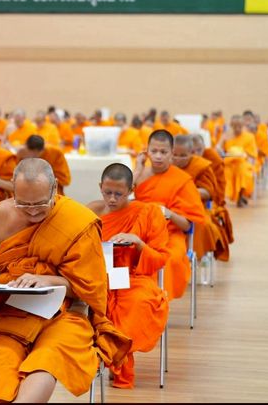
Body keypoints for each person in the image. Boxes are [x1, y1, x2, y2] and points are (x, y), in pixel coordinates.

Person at [0, 158, 130, 402]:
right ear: (12, 192)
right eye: (23, 204)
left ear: (55, 187)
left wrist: (50, 281)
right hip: (9, 312)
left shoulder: (77, 220)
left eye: (40, 203)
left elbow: (92, 288)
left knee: (49, 357)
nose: (33, 211)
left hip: (66, 314)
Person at [87, 163, 169, 389]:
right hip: (99, 276)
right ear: (100, 187)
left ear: (131, 189)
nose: (112, 199)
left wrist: (138, 243)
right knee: (87, 305)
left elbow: (160, 257)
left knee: (137, 303)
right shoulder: (90, 212)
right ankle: (107, 360)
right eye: (107, 192)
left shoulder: (147, 212)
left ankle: (118, 361)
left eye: (119, 194)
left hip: (134, 277)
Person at [133, 130, 205, 299]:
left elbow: (187, 225)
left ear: (171, 153)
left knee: (169, 259)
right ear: (147, 151)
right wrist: (137, 168)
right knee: (122, 254)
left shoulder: (182, 180)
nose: (158, 156)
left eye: (163, 152)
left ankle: (159, 301)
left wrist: (170, 214)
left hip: (170, 235)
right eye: (154, 151)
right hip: (140, 233)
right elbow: (122, 197)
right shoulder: (140, 174)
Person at [171, 135, 228, 261]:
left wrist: (186, 191)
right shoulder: (165, 165)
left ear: (191, 153)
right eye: (175, 154)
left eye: (183, 155)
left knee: (203, 226)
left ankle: (193, 258)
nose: (178, 159)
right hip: (169, 208)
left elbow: (208, 192)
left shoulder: (200, 166)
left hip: (195, 209)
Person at [217, 115, 258, 207]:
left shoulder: (249, 136)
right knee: (225, 172)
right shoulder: (226, 135)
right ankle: (230, 196)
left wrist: (242, 153)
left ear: (243, 125)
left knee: (242, 171)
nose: (237, 129)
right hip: (229, 162)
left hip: (244, 162)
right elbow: (218, 148)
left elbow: (253, 154)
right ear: (231, 126)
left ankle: (241, 195)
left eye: (239, 126)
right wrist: (221, 147)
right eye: (235, 126)